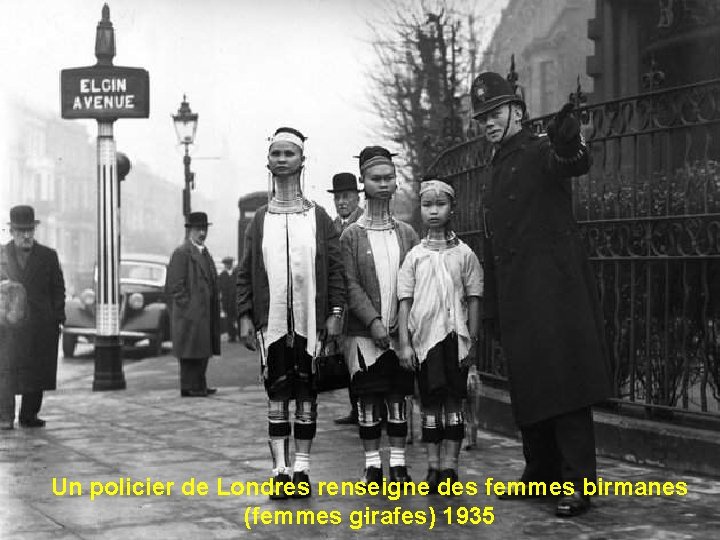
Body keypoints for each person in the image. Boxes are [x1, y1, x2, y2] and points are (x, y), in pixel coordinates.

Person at [471, 71, 612, 517]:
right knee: (529, 381)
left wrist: (571, 142)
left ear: (517, 109)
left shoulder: (540, 150)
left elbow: (571, 162)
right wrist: (493, 302)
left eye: (495, 112)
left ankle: (578, 482)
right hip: (517, 294)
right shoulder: (495, 165)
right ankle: (541, 474)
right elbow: (493, 242)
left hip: (554, 290)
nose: (488, 123)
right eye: (481, 117)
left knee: (564, 381)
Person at [236, 127, 344, 499]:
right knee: (278, 396)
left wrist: (335, 312)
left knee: (307, 397)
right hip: (274, 325)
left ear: (302, 161)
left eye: (289, 154)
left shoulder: (319, 217)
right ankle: (279, 471)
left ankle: (302, 470)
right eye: (276, 153)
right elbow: (245, 272)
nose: (282, 159)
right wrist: (246, 315)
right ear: (268, 161)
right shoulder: (260, 220)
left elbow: (335, 269)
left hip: (311, 324)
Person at [397, 179, 482, 492]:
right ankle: (432, 467)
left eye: (440, 204)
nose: (433, 211)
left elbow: (473, 298)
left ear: (452, 208)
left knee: (454, 404)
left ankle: (450, 468)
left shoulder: (465, 255)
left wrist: (471, 341)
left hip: (455, 340)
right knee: (430, 404)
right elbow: (405, 302)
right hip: (425, 343)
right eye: (427, 205)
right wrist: (405, 344)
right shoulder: (414, 257)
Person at [341, 145, 419, 483]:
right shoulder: (352, 236)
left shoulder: (407, 233)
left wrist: (400, 329)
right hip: (364, 335)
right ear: (364, 183)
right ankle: (372, 464)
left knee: (397, 396)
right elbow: (350, 284)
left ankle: (399, 464)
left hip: (399, 332)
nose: (383, 184)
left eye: (389, 178)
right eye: (376, 178)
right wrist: (373, 322)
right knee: (369, 398)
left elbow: (411, 281)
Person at [0, 205, 65, 429]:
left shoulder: (48, 256)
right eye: (21, 231)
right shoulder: (1, 255)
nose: (26, 235)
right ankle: (5, 417)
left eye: (29, 230)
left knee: (37, 371)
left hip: (40, 324)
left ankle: (29, 415)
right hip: (8, 326)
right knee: (6, 370)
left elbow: (58, 288)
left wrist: (57, 317)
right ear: (12, 232)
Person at [165, 211, 221, 398]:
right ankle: (190, 387)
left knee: (202, 351)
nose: (202, 233)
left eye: (204, 229)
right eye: (198, 229)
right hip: (190, 315)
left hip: (204, 313)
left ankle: (199, 385)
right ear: (190, 231)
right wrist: (189, 308)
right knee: (190, 352)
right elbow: (175, 286)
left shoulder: (204, 252)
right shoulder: (182, 253)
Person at [327, 172, 364, 425]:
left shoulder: (364, 222)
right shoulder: (332, 226)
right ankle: (355, 408)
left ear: (356, 197)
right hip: (341, 303)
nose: (342, 202)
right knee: (347, 356)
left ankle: (370, 408)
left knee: (365, 357)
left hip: (360, 299)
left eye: (347, 196)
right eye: (338, 197)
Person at [218, 256, 238, 342]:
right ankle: (231, 336)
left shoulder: (236, 274)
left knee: (238, 318)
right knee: (229, 319)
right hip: (227, 301)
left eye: (229, 264)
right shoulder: (222, 275)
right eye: (226, 264)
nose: (227, 265)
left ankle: (240, 335)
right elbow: (220, 289)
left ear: (231, 264)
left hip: (236, 300)